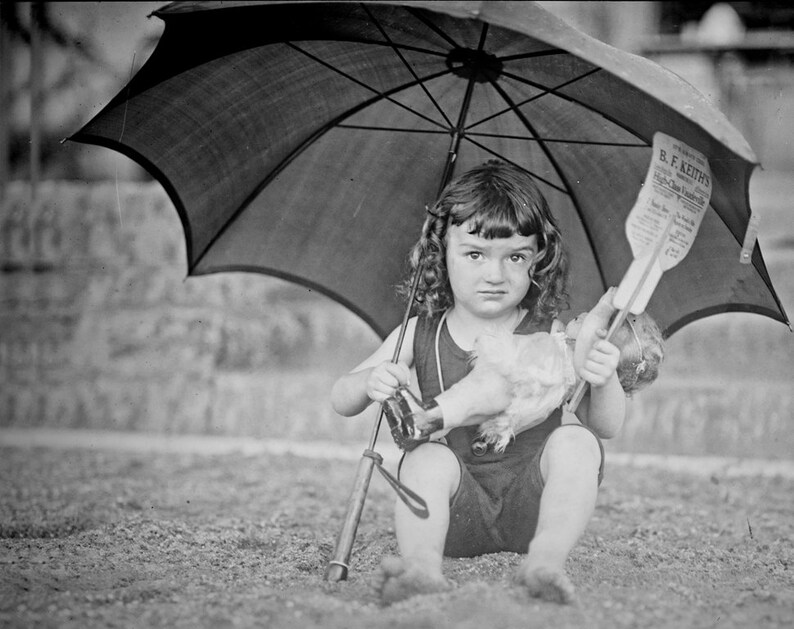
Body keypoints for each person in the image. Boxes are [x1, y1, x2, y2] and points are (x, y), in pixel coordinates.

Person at [331, 160, 627, 606]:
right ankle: (423, 567)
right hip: (456, 514)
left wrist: (603, 380)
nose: (496, 274)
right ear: (440, 254)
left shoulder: (552, 333)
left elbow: (606, 426)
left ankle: (544, 562)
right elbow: (341, 399)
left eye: (516, 257)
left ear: (538, 259)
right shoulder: (418, 332)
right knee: (425, 456)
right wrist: (371, 380)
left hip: (534, 503)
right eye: (475, 254)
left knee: (577, 442)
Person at [384, 288, 664, 454]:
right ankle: (425, 425)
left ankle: (424, 419)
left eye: (596, 319)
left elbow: (607, 426)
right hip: (518, 378)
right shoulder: (568, 342)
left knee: (473, 396)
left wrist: (605, 307)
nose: (586, 314)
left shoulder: (584, 358)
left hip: (523, 379)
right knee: (469, 403)